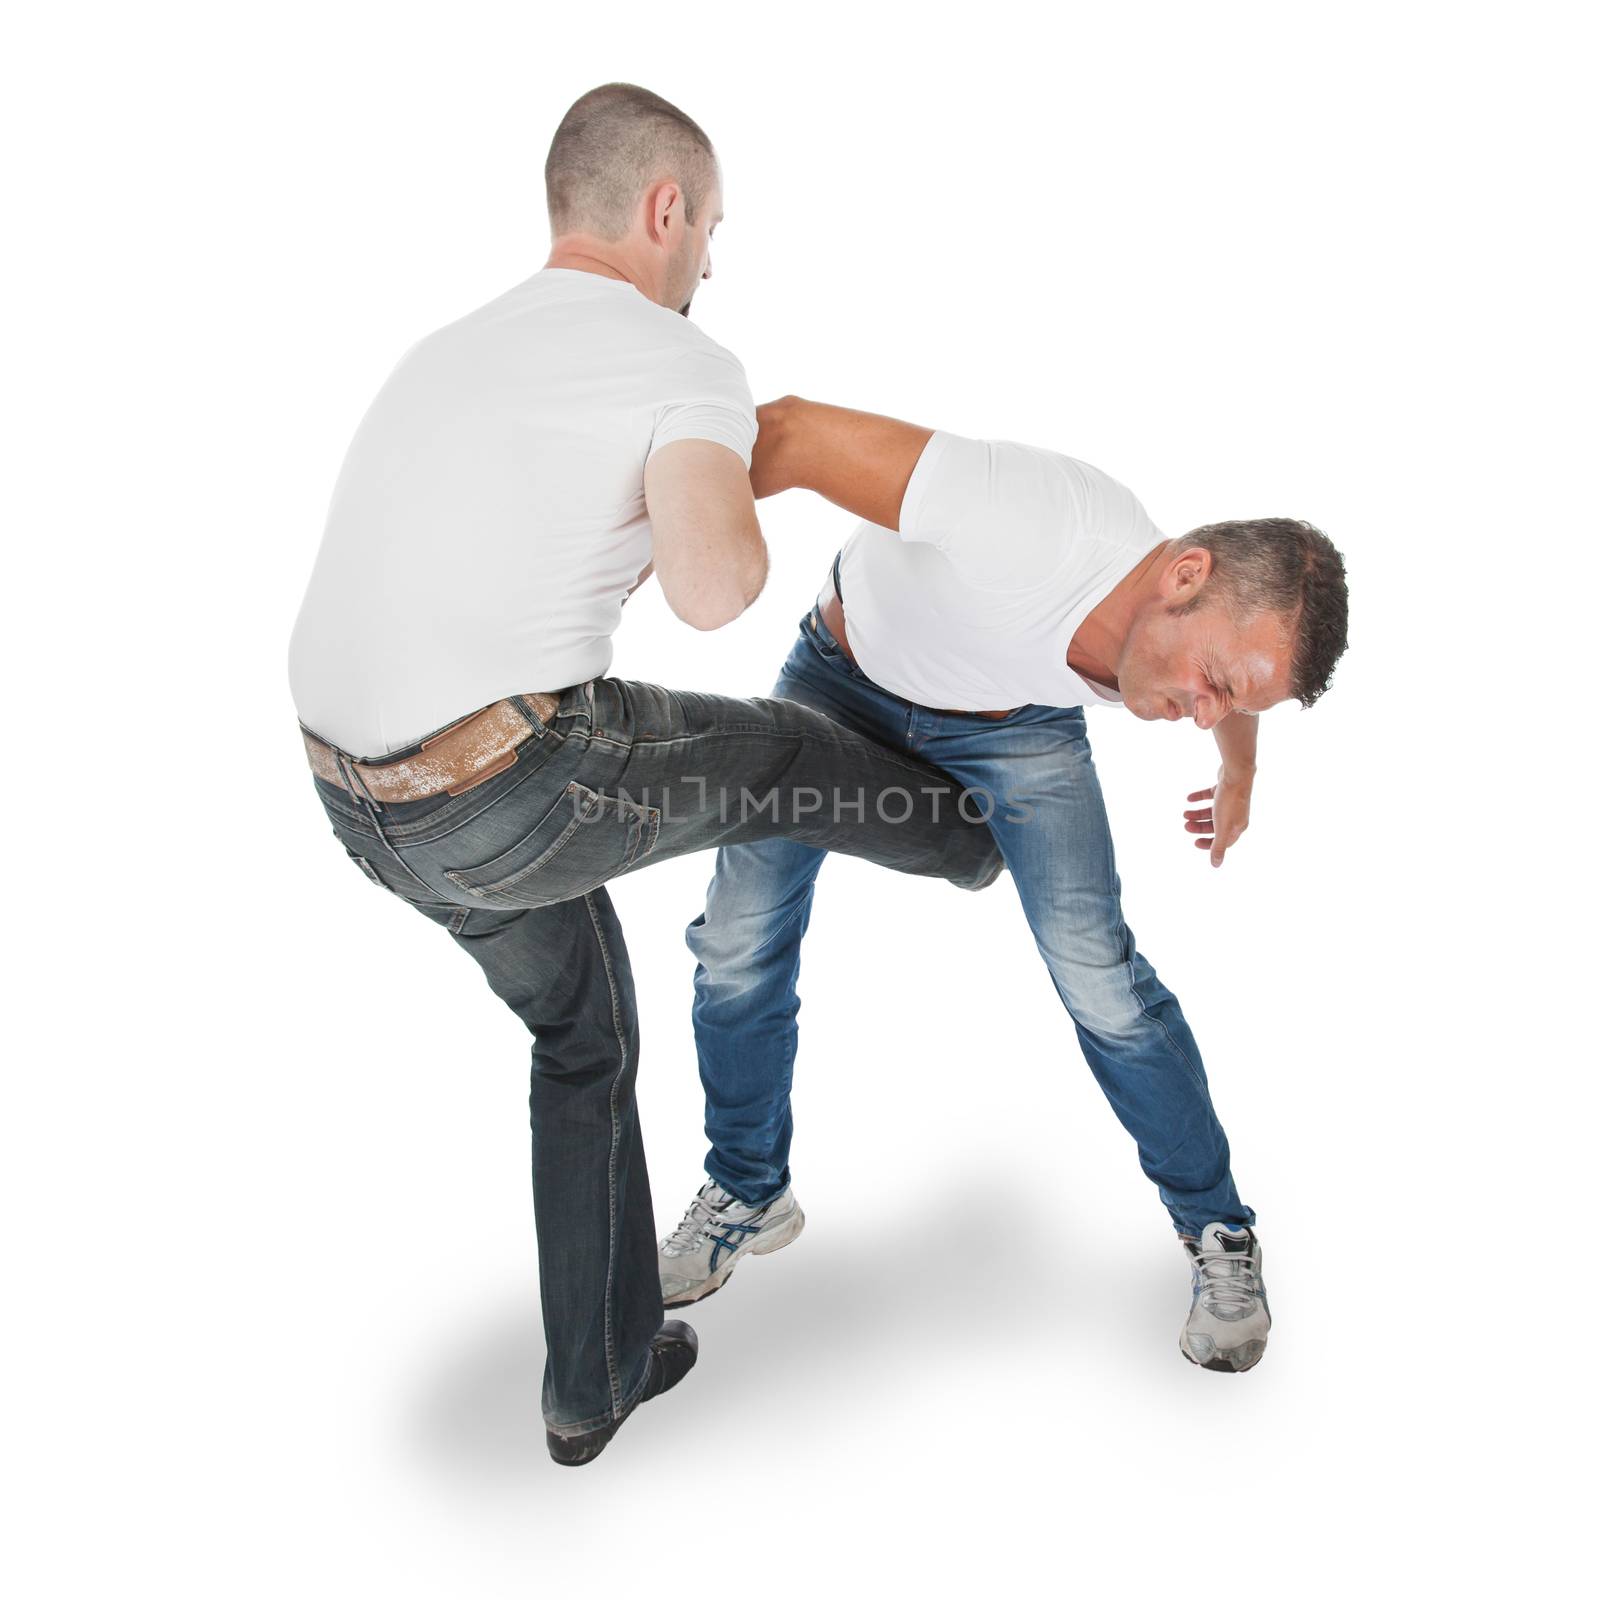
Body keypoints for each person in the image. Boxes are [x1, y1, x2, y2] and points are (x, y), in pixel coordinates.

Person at [288, 90, 1002, 1466]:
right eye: (713, 229)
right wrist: (735, 456)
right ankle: (992, 837)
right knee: (787, 754)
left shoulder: (450, 346)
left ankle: (594, 1380)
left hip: (359, 811)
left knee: (583, 1036)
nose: (713, 265)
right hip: (513, 784)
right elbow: (717, 588)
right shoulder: (683, 357)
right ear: (662, 209)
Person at [659, 397, 1349, 1374]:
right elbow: (789, 432)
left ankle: (1217, 1228)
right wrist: (650, 547)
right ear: (1184, 574)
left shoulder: (1196, 622)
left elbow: (1236, 675)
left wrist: (1237, 769)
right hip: (840, 681)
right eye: (1216, 684)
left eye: (1230, 703)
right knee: (735, 936)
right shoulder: (1024, 518)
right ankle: (747, 1187)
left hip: (1014, 729)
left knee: (1100, 979)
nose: (1203, 712)